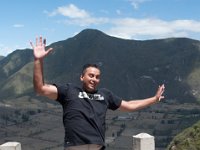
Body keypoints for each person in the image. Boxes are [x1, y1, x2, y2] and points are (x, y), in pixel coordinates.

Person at [30, 36, 165, 150]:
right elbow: (40, 89)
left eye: (97, 77)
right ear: (82, 77)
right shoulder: (69, 91)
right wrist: (38, 60)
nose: (94, 79)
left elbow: (129, 105)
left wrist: (154, 99)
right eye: (91, 75)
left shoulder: (105, 95)